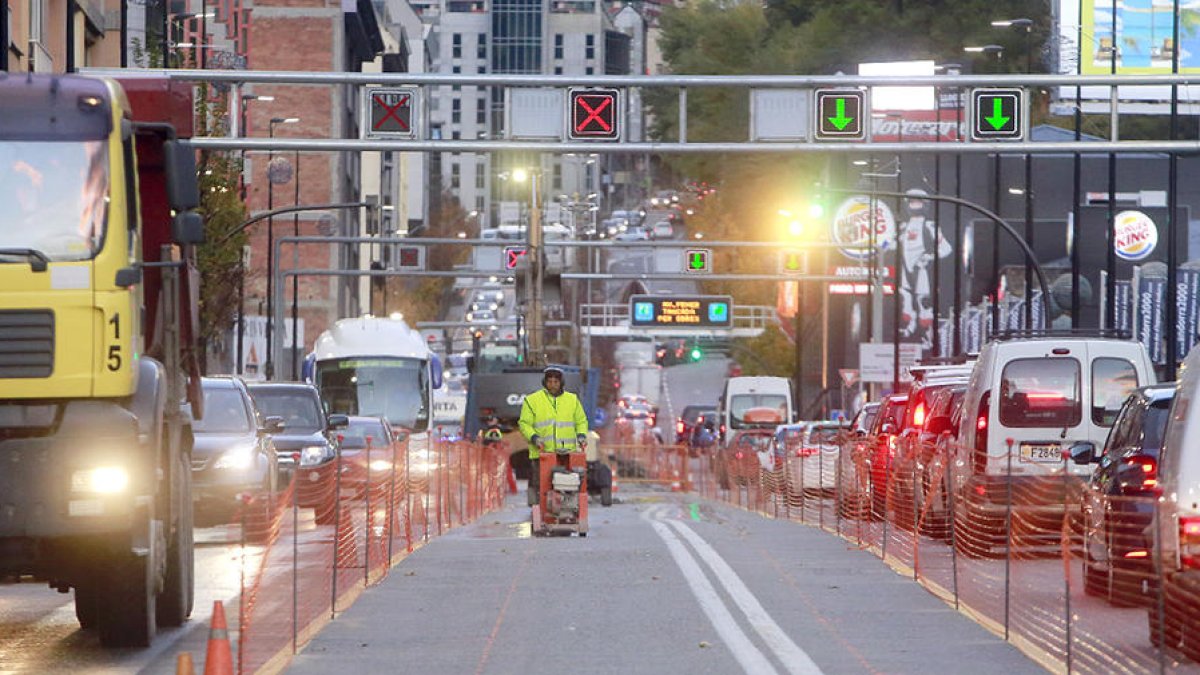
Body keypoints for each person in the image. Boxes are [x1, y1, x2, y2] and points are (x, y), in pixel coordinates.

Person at [518, 366, 590, 506]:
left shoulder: (572, 400)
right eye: (549, 381)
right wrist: (534, 438)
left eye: (556, 381)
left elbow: (581, 421)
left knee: (572, 485)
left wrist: (581, 435)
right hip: (542, 454)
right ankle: (543, 512)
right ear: (544, 382)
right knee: (543, 488)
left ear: (561, 383)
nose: (552, 385)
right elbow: (524, 424)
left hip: (567, 454)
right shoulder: (532, 400)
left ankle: (570, 507)